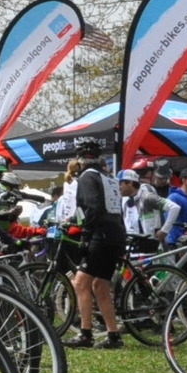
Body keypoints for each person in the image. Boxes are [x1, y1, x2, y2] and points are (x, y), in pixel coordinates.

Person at [64, 138, 126, 349]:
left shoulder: (86, 178)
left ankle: (85, 334)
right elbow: (115, 209)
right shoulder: (108, 177)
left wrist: (85, 237)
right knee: (100, 286)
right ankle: (113, 334)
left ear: (79, 158)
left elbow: (91, 208)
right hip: (116, 235)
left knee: (80, 283)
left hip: (101, 236)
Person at [163, 168, 187, 245]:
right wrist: (180, 242)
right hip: (177, 244)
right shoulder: (174, 198)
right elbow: (172, 223)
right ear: (184, 180)